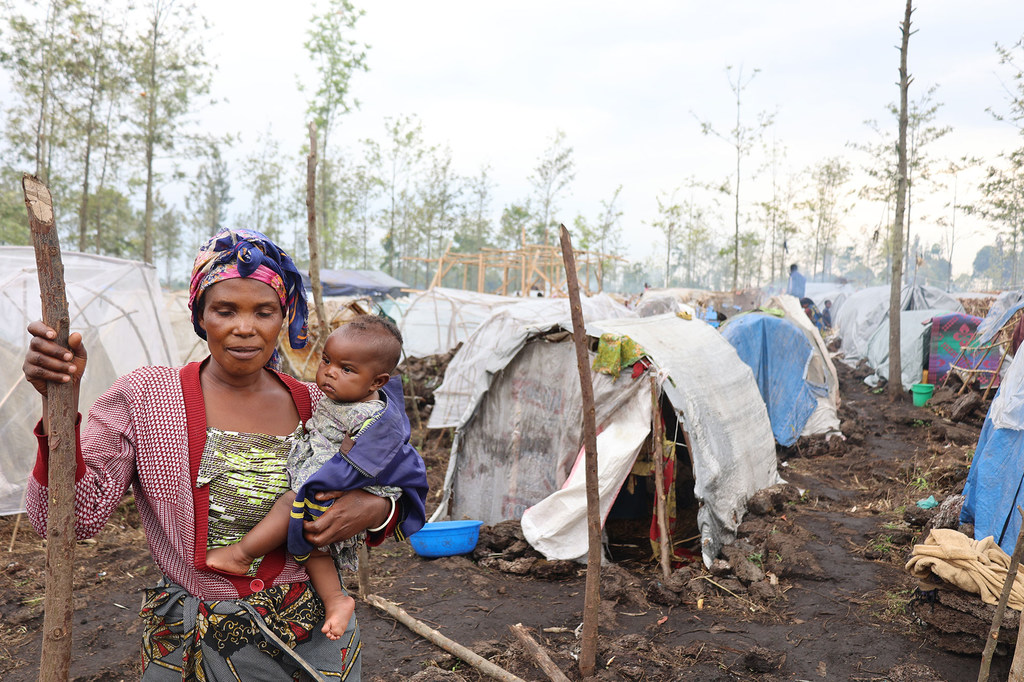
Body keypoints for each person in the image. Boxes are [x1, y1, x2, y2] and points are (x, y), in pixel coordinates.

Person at [22, 228, 427, 680]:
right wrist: (58, 408)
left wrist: (375, 507)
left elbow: (394, 491)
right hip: (185, 643)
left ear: (284, 317)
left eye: (264, 311)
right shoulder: (147, 398)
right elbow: (69, 519)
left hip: (311, 640)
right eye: (225, 309)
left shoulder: (325, 406)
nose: (245, 327)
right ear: (201, 315)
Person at [206, 316, 427, 642]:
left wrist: (353, 476)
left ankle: (241, 554)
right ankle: (337, 598)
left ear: (377, 382)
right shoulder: (338, 397)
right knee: (313, 550)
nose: (330, 372)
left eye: (346, 369)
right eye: (326, 360)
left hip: (337, 488)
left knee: (290, 504)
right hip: (323, 478)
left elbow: (384, 459)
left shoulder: (372, 416)